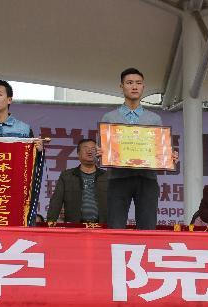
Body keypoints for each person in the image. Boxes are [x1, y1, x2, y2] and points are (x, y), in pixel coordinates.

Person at [100, 67, 177, 230]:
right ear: (121, 87)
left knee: (148, 226)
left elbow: (159, 150)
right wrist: (101, 153)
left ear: (143, 87)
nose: (134, 87)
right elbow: (103, 150)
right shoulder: (109, 117)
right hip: (118, 178)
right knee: (115, 225)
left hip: (147, 179)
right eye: (129, 83)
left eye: (138, 83)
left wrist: (167, 157)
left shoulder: (154, 119)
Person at [47, 139, 108, 225]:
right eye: (85, 148)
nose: (89, 151)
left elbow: (116, 203)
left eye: (93, 149)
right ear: (78, 154)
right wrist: (50, 223)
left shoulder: (107, 176)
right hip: (75, 226)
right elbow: (56, 201)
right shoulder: (67, 176)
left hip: (102, 227)